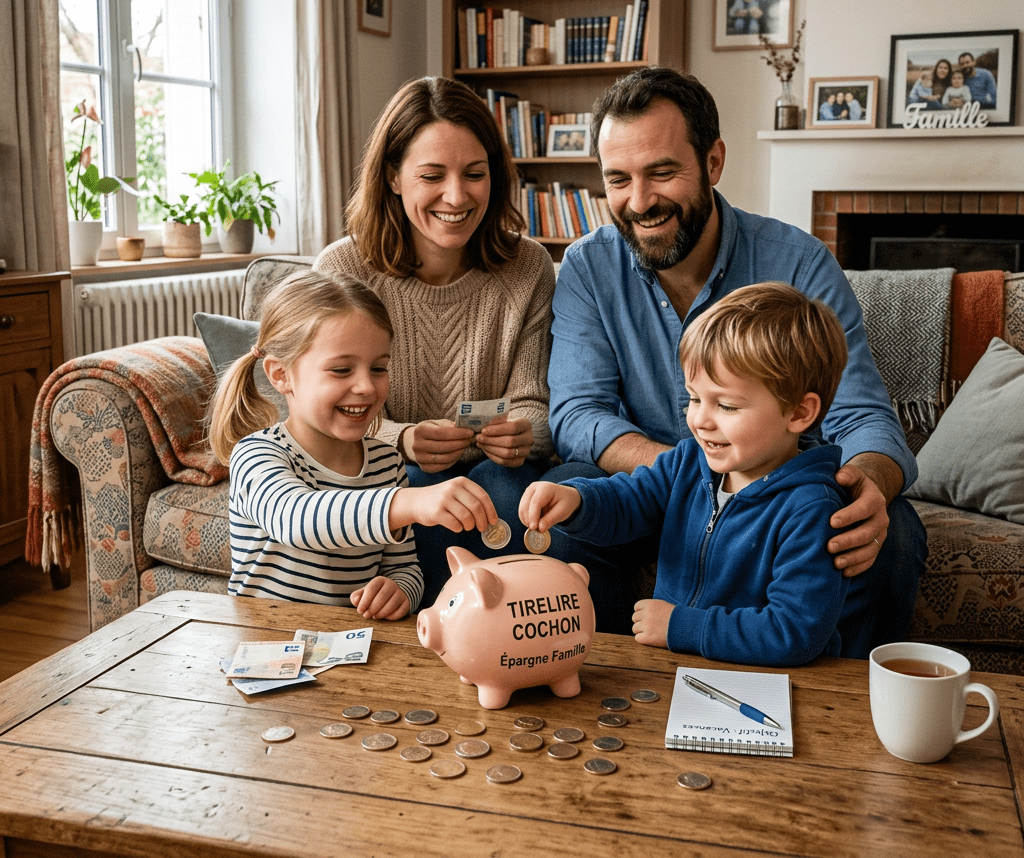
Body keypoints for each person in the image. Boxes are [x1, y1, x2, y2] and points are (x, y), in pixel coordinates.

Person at [543, 66, 927, 655]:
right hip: (657, 485)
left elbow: (861, 415)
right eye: (617, 179)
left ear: (714, 162)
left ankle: (837, 716)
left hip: (771, 499)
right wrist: (692, 474)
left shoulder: (797, 262)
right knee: (571, 494)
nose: (639, 201)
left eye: (663, 172)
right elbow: (577, 411)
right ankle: (617, 697)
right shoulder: (588, 267)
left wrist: (867, 484)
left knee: (894, 531)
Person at [314, 76, 556, 609]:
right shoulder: (343, 269)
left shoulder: (529, 267)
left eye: (475, 174)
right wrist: (400, 437)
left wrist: (522, 433)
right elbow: (317, 411)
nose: (456, 196)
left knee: (507, 487)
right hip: (395, 469)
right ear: (394, 178)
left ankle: (516, 646)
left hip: (503, 470)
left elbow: (535, 403)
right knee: (421, 480)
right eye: (432, 175)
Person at [523, 283, 851, 664]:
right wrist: (577, 501)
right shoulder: (689, 462)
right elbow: (629, 500)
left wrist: (682, 626)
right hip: (679, 667)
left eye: (726, 406)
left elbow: (794, 632)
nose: (699, 420)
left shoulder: (812, 509)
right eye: (694, 398)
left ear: (798, 413)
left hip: (767, 688)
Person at [208, 269, 500, 618]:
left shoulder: (385, 464)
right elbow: (294, 519)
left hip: (349, 646)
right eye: (342, 370)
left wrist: (400, 591)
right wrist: (410, 501)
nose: (366, 386)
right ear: (281, 375)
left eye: (379, 368)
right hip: (266, 648)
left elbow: (404, 567)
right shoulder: (257, 454)